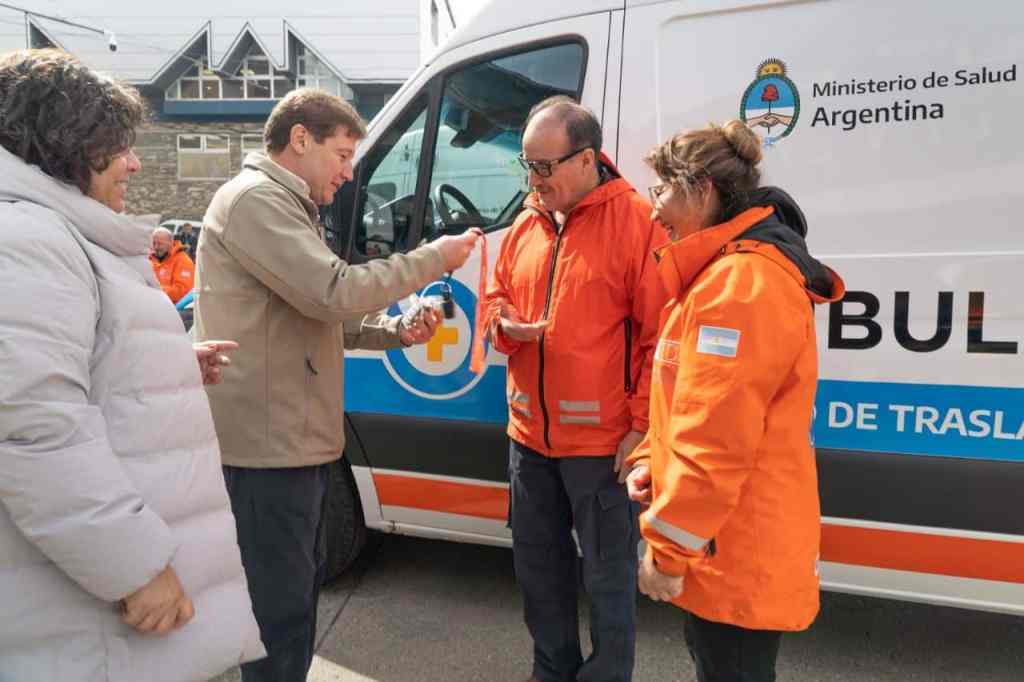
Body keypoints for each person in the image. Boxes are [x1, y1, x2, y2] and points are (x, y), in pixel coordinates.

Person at [193, 88, 481, 682]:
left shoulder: (285, 203)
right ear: (301, 140)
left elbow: (320, 310)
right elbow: (332, 291)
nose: (350, 173)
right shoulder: (257, 201)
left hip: (291, 442)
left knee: (293, 602)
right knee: (278, 613)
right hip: (268, 450)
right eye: (344, 155)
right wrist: (433, 257)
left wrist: (395, 330)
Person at [0, 49, 264, 681]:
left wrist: (168, 364)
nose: (135, 162)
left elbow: (81, 372)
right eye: (118, 146)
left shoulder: (57, 234)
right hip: (104, 625)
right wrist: (136, 568)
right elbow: (36, 429)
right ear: (66, 143)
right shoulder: (27, 241)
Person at [625, 120, 845, 682]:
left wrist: (666, 554)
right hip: (725, 546)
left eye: (661, 191)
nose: (654, 210)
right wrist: (652, 460)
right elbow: (690, 410)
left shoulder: (739, 285)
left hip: (732, 553)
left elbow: (714, 445)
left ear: (701, 190)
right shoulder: (727, 275)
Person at [485, 96, 668, 682]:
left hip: (602, 447)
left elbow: (659, 338)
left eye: (544, 167)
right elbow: (494, 298)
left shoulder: (636, 223)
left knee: (608, 583)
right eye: (527, 165)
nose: (533, 181)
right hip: (528, 441)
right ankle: (551, 672)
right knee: (539, 575)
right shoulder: (526, 223)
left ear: (586, 159)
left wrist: (640, 429)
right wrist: (504, 326)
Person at [150, 226, 195, 303]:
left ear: (171, 243)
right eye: (154, 243)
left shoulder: (183, 261)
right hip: (151, 304)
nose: (156, 247)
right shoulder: (149, 258)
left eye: (160, 244)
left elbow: (182, 291)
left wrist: (153, 290)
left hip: (173, 308)